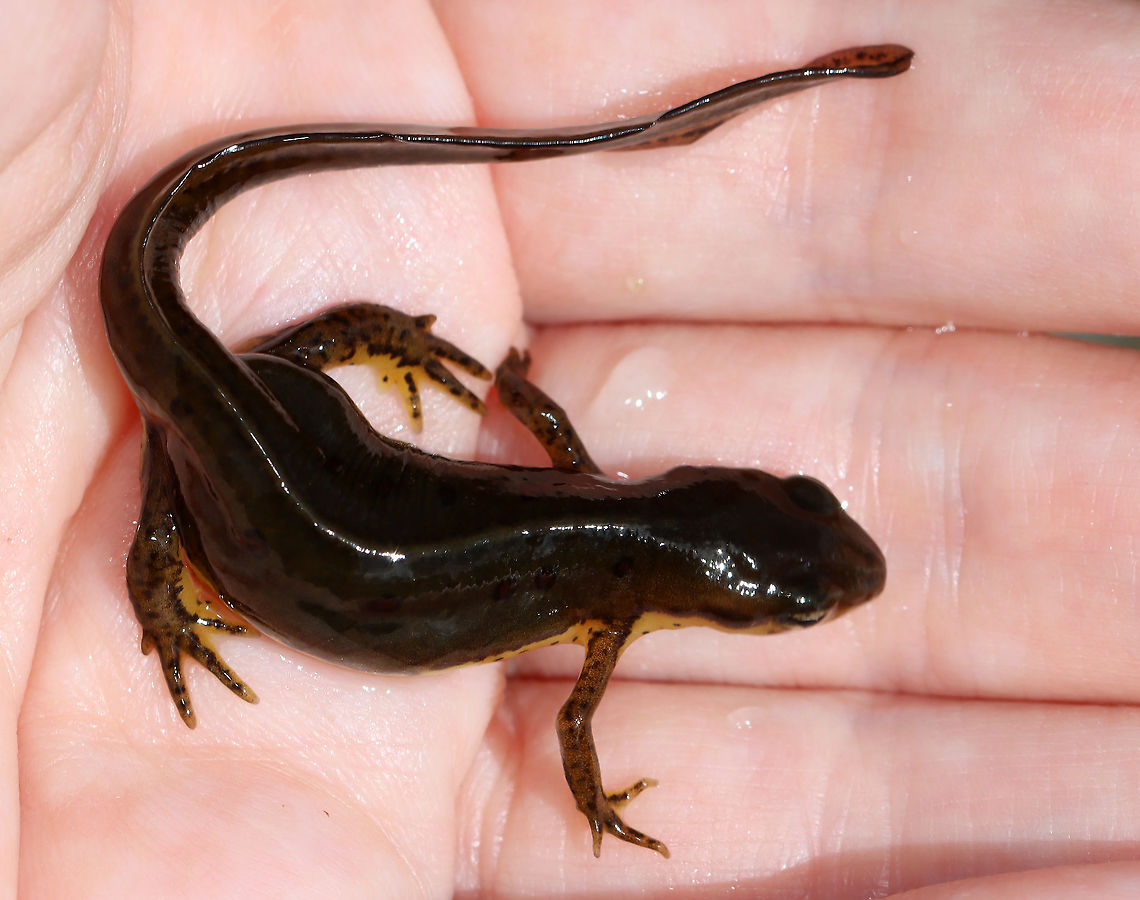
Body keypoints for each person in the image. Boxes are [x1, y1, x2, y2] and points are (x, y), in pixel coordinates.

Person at [7, 2, 1139, 895]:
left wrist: (502, 378)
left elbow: (540, 423)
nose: (812, 594)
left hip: (289, 414)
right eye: (796, 602)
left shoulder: (592, 493)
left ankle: (308, 385)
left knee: (245, 413)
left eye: (796, 597)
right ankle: (161, 587)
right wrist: (591, 810)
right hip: (274, 487)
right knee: (202, 452)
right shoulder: (607, 610)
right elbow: (576, 726)